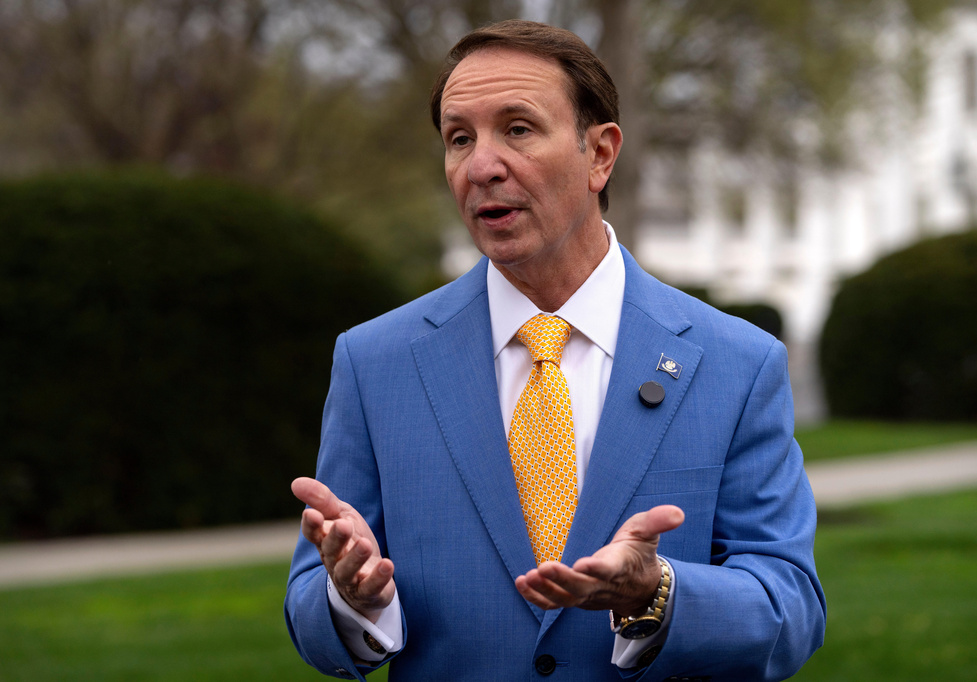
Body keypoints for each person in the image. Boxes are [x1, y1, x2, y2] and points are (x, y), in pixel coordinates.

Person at [285, 19, 825, 682]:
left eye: (517, 128)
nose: (481, 165)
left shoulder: (737, 363)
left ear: (599, 154)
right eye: (459, 139)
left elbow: (789, 608)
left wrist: (654, 593)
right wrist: (352, 599)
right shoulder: (375, 364)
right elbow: (311, 608)